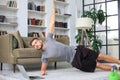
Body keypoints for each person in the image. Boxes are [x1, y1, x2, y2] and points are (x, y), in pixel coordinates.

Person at [30, 0, 120, 75]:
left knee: (100, 56)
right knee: (97, 65)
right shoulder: (44, 56)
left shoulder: (49, 39)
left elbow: (52, 22)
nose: (36, 45)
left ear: (39, 40)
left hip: (77, 50)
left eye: (35, 43)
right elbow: (43, 69)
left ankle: (119, 62)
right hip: (75, 61)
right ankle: (117, 69)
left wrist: (53, 7)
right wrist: (42, 72)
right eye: (34, 46)